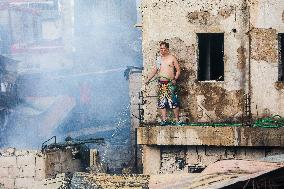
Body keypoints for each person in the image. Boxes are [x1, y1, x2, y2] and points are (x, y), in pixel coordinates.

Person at [145, 41, 181, 125]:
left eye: (164, 48)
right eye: (161, 48)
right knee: (162, 102)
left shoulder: (172, 58)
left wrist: (175, 78)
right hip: (162, 83)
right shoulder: (159, 59)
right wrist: (148, 79)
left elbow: (178, 70)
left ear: (167, 49)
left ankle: (177, 120)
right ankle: (164, 120)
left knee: (174, 101)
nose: (162, 50)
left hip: (170, 83)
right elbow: (155, 70)